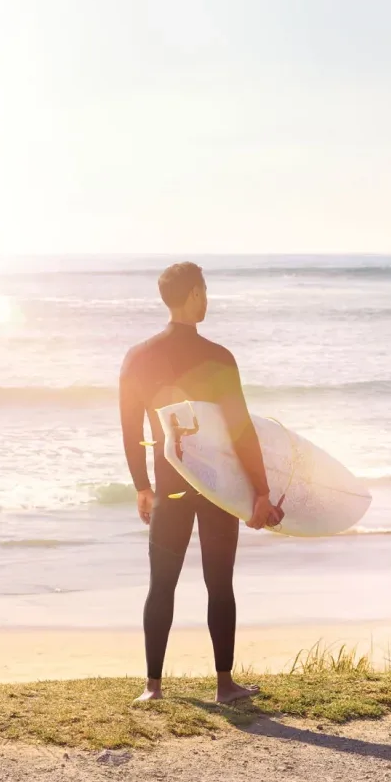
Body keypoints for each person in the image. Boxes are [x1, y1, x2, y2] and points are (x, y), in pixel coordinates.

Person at [119, 262, 280, 704]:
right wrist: (260, 491)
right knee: (220, 583)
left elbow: (131, 428)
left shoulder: (137, 357)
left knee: (161, 584)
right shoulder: (218, 356)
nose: (207, 299)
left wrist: (142, 485)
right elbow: (240, 429)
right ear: (192, 294)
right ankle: (225, 685)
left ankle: (153, 687)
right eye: (204, 291)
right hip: (217, 488)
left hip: (169, 485)